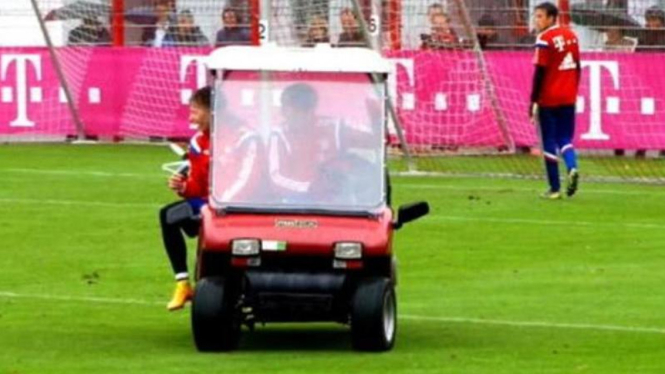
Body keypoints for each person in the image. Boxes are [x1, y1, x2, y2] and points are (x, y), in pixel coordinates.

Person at [159, 86, 212, 311]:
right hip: (208, 203)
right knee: (168, 215)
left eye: (195, 111)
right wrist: (182, 186)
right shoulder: (198, 142)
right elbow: (197, 185)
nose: (191, 118)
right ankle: (183, 283)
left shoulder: (238, 139)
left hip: (230, 206)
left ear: (212, 112)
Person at [529, 2, 581, 199]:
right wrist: (574, 91)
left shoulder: (544, 39)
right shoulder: (571, 36)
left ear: (552, 18)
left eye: (540, 16)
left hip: (548, 98)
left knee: (549, 141)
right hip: (568, 96)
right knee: (565, 138)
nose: (537, 20)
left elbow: (539, 72)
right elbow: (578, 66)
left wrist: (533, 100)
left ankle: (555, 188)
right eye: (536, 16)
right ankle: (572, 166)